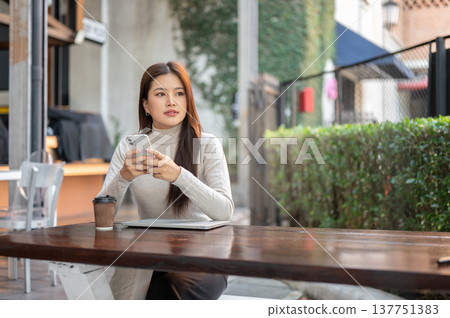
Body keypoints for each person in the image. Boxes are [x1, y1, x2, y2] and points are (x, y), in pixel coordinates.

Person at [98, 61, 234, 300]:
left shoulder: (207, 144)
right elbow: (104, 216)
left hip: (204, 257)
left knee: (169, 288)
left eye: (179, 94)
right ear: (146, 105)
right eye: (161, 93)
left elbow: (224, 211)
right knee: (123, 296)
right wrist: (123, 177)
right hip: (148, 254)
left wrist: (180, 176)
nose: (172, 101)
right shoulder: (130, 145)